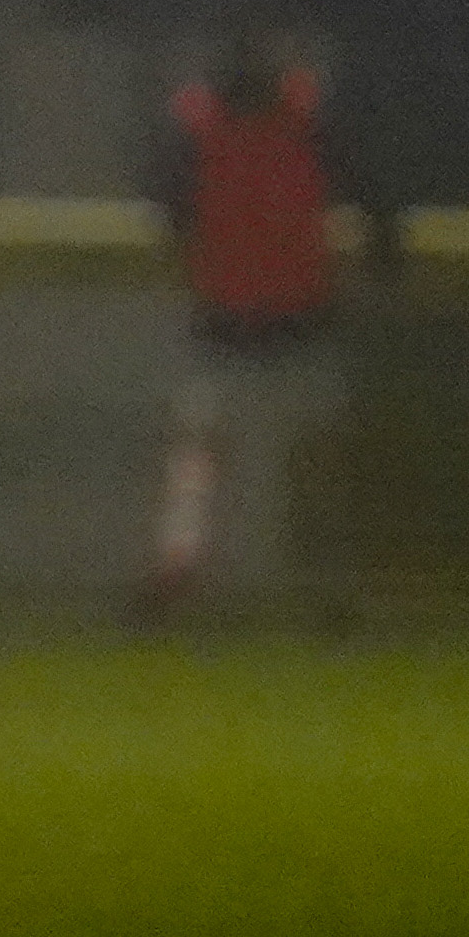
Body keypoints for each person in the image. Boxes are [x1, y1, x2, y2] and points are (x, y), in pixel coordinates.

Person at [138, 33, 400, 621]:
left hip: (248, 317)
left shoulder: (214, 130)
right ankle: (323, 591)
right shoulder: (303, 125)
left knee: (213, 460)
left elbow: (164, 202)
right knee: (293, 461)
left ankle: (190, 577)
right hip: (278, 317)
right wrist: (386, 258)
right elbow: (377, 199)